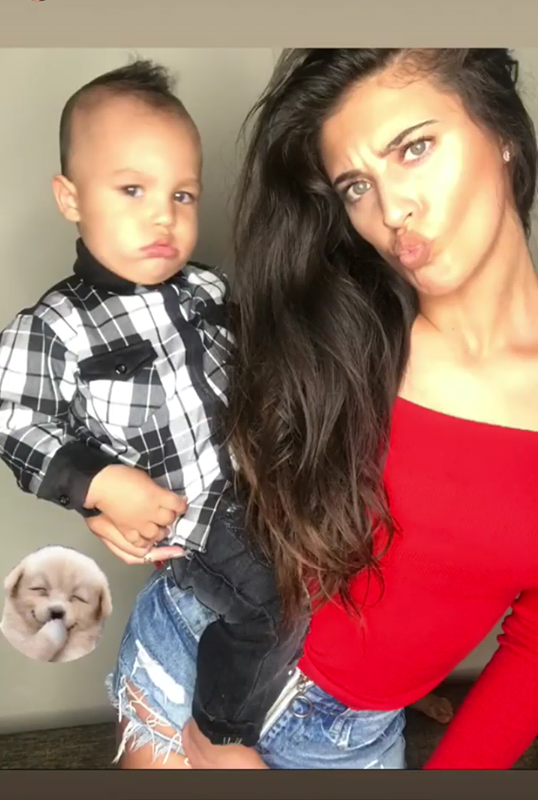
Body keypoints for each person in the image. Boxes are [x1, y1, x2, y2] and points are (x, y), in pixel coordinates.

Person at [89, 47, 538, 771]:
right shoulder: (333, 324)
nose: (392, 211)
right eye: (357, 186)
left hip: (352, 736)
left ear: (504, 135)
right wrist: (97, 488)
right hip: (200, 658)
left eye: (415, 148)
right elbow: (154, 405)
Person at [0, 59, 308, 753]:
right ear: (70, 197)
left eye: (183, 194)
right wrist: (99, 485)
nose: (163, 215)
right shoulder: (56, 326)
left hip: (262, 486)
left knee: (344, 559)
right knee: (270, 605)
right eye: (132, 189)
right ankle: (220, 730)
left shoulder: (207, 290)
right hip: (191, 516)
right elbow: (14, 419)